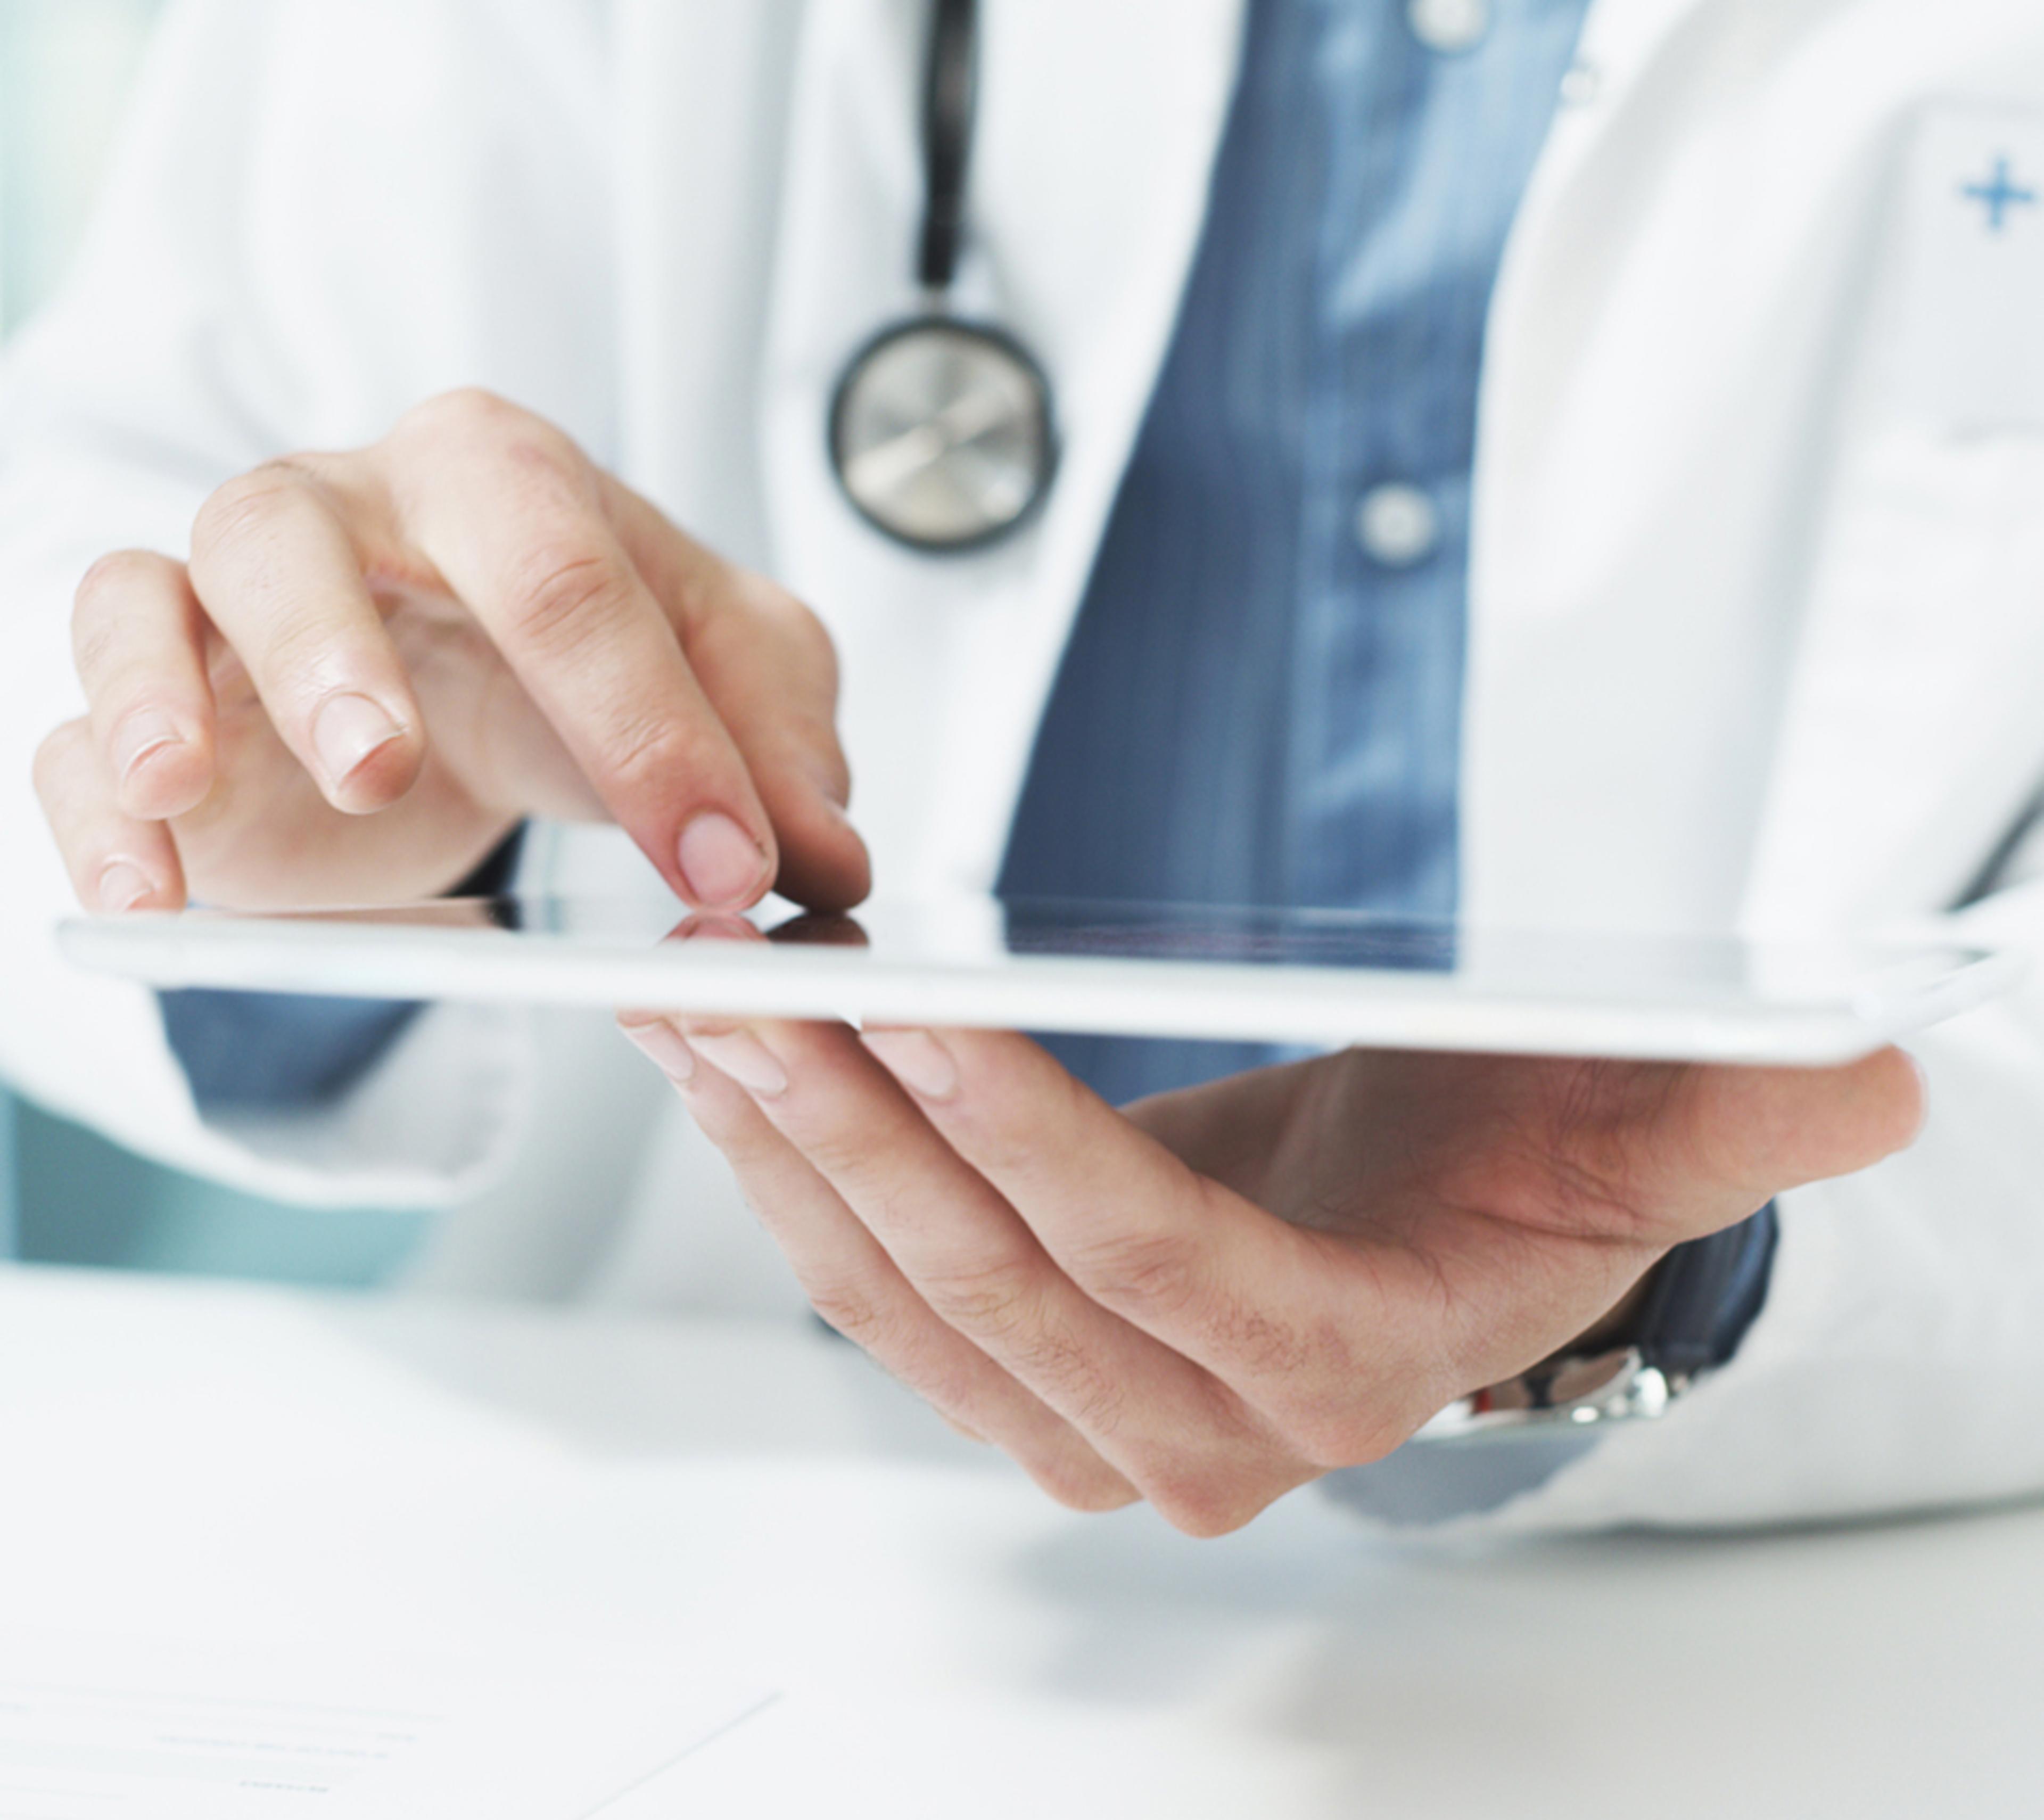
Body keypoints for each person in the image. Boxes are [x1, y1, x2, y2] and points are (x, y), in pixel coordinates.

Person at [5, 0, 2043, 1534]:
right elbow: (129, 513)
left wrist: (1662, 1262)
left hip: (1780, 1629)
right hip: (702, 1532)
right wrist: (298, 801)